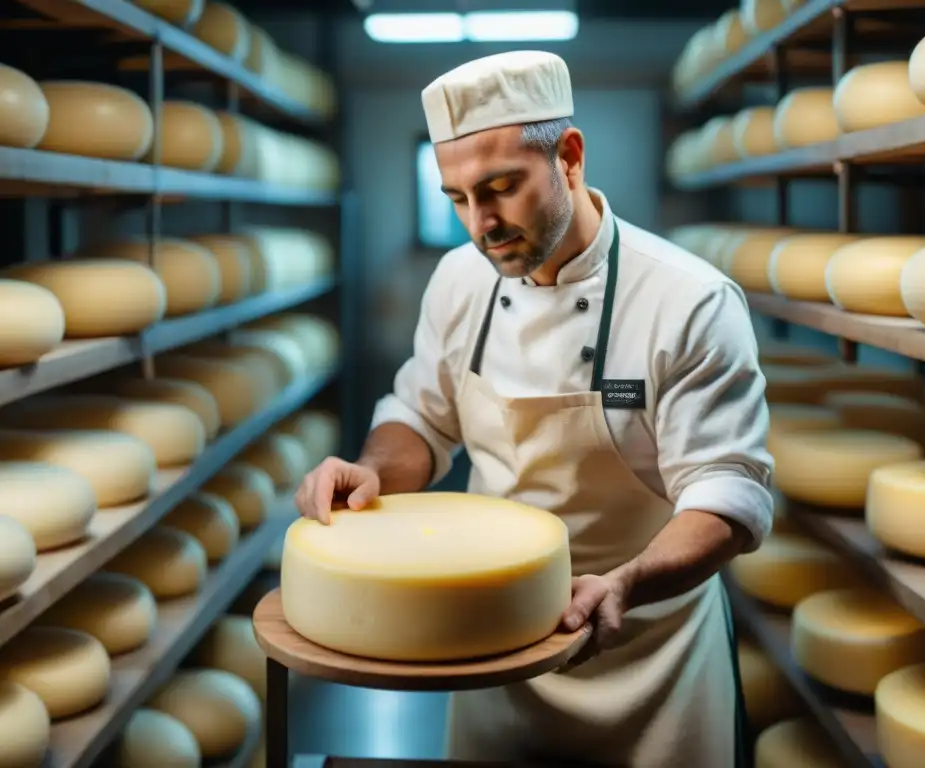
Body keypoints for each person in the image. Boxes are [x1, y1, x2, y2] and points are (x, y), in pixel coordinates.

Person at [294, 49, 773, 768]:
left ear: (570, 157)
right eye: (457, 198)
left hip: (647, 647)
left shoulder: (688, 302)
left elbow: (727, 493)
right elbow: (422, 417)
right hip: (497, 644)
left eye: (501, 187)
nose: (480, 224)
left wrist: (629, 583)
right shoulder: (460, 281)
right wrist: (372, 471)